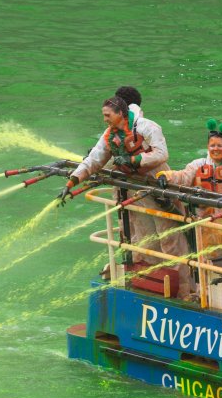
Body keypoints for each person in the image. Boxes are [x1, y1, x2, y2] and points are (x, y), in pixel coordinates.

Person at [63, 96, 193, 296]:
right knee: (145, 237)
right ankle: (155, 283)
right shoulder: (109, 135)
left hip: (159, 186)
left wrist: (135, 159)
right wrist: (72, 181)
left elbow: (161, 154)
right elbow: (94, 160)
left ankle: (184, 289)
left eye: (107, 115)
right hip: (135, 191)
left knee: (170, 239)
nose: (104, 119)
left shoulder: (148, 127)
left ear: (120, 114)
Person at [156, 119, 222, 258]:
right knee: (209, 258)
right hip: (206, 218)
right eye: (213, 145)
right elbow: (183, 176)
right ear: (207, 147)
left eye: (220, 146)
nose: (216, 149)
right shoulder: (199, 164)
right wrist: (166, 176)